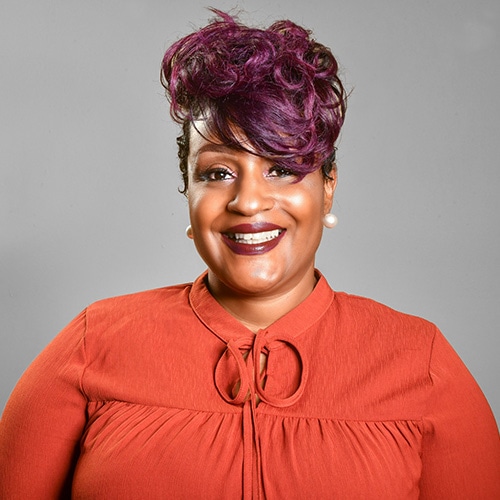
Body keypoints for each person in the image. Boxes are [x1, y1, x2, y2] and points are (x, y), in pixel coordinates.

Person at [0, 9, 499, 499]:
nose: (248, 201)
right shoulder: (93, 346)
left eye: (281, 168)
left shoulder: (420, 361)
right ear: (188, 195)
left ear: (328, 190)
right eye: (217, 173)